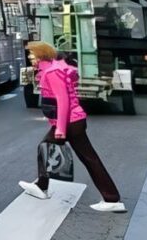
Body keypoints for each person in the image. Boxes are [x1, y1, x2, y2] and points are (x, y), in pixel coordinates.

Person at [19, 42, 126, 212]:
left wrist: (61, 128)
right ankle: (111, 197)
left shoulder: (53, 72)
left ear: (41, 55)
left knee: (50, 148)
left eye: (32, 55)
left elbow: (63, 101)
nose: (30, 58)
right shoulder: (54, 69)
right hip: (73, 121)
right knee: (83, 156)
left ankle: (111, 198)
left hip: (69, 122)